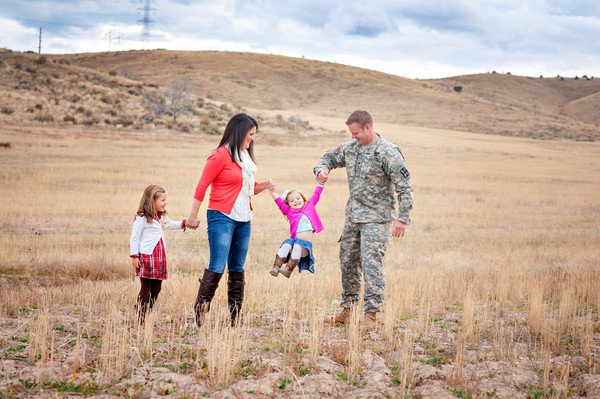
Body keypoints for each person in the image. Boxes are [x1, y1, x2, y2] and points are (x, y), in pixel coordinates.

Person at [313, 110, 414, 330]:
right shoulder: (350, 148)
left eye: (356, 133)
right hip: (353, 217)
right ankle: (347, 311)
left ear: (368, 127)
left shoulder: (389, 152)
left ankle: (371, 316)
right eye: (351, 133)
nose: (353, 137)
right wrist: (321, 170)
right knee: (347, 262)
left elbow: (405, 188)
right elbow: (327, 157)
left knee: (371, 265)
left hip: (377, 219)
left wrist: (402, 219)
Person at [186, 113, 273, 327]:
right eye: (250, 134)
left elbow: (248, 189)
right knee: (217, 265)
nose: (252, 138)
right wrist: (192, 216)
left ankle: (235, 317)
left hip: (244, 218)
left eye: (254, 135)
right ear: (239, 131)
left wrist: (265, 185)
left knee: (237, 267)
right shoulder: (220, 155)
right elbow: (202, 186)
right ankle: (200, 312)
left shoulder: (245, 157)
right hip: (221, 217)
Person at [129, 184, 187, 324]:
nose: (165, 203)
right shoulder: (142, 219)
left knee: (157, 288)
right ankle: (140, 314)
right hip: (147, 258)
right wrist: (135, 256)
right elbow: (134, 238)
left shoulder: (161, 218)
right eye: (162, 200)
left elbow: (171, 225)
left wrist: (184, 224)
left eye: (165, 200)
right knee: (146, 289)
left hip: (160, 258)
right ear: (151, 201)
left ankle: (147, 311)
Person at [268, 182, 325, 278]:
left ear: (303, 199)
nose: (296, 201)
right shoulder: (289, 212)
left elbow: (316, 194)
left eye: (298, 198)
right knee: (286, 244)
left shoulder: (309, 206)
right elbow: (279, 202)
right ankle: (276, 267)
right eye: (292, 200)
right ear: (288, 204)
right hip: (293, 243)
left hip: (304, 247)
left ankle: (288, 269)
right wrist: (272, 191)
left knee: (298, 245)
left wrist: (321, 183)